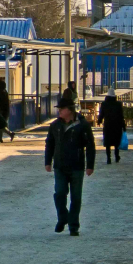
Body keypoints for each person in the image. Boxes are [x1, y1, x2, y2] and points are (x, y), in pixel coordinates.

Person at [45, 97, 96, 236]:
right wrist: (48, 161)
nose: (59, 111)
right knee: (59, 193)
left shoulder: (82, 125)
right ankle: (63, 218)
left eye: (61, 109)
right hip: (60, 166)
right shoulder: (55, 125)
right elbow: (50, 143)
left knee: (76, 197)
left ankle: (73, 225)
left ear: (70, 110)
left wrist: (90, 165)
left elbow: (90, 146)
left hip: (77, 165)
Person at [98, 87, 126, 164]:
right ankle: (117, 156)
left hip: (108, 125)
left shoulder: (104, 104)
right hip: (117, 125)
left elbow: (101, 114)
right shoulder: (118, 104)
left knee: (108, 143)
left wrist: (99, 121)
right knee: (116, 142)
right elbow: (121, 116)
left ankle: (108, 158)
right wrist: (124, 126)